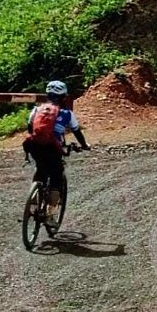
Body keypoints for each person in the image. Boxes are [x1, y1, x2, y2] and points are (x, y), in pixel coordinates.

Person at [24, 80, 90, 223]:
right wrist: (84, 145)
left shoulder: (37, 109)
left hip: (34, 145)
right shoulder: (67, 113)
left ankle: (33, 200)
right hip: (53, 147)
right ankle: (49, 215)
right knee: (56, 178)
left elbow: (30, 127)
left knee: (40, 168)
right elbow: (77, 131)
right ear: (63, 97)